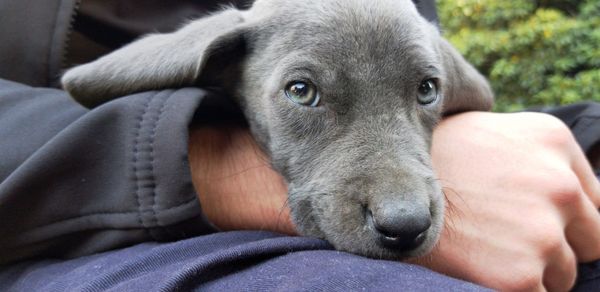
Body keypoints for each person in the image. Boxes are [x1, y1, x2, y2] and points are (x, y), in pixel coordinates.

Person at [0, 0, 599, 291]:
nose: (406, 212)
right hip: (68, 234)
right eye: (303, 91)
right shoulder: (235, 45)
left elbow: (410, 75)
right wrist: (214, 167)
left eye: (426, 91)